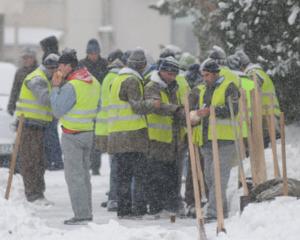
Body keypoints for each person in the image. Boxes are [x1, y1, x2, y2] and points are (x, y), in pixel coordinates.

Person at [107, 49, 160, 218]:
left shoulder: (117, 79)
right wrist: (153, 104)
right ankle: (137, 209)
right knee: (139, 175)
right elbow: (137, 106)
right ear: (141, 65)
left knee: (123, 175)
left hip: (118, 135)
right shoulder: (132, 80)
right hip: (133, 136)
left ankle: (124, 210)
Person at [50, 49, 101, 225]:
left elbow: (57, 110)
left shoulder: (72, 86)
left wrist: (55, 87)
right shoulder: (93, 80)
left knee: (74, 176)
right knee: (85, 176)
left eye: (61, 66)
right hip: (88, 132)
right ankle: (87, 211)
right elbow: (98, 106)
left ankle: (81, 215)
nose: (59, 69)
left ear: (68, 66)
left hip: (72, 134)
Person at [189, 58, 239, 221]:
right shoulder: (204, 89)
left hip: (224, 140)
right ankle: (220, 208)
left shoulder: (229, 87)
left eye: (207, 75)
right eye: (203, 75)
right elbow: (202, 111)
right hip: (206, 139)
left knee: (219, 177)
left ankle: (213, 212)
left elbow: (233, 109)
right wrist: (196, 116)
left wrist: (211, 111)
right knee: (210, 177)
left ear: (216, 74)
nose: (205, 78)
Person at [144, 56, 186, 217]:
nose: (171, 77)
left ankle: (172, 206)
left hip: (174, 140)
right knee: (157, 175)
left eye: (174, 74)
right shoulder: (152, 87)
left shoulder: (174, 87)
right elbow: (157, 106)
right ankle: (156, 207)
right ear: (161, 71)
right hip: (157, 139)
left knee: (173, 175)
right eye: (169, 73)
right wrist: (176, 110)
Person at [16, 53, 59, 203]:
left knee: (40, 161)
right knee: (31, 160)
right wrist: (56, 86)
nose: (58, 73)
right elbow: (46, 99)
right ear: (50, 68)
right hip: (28, 125)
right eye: (56, 70)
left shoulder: (44, 77)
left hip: (39, 126)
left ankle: (39, 192)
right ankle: (33, 194)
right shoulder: (37, 79)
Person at [95, 49, 125, 211]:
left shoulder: (108, 78)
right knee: (116, 165)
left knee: (115, 165)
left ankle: (113, 195)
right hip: (114, 128)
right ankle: (114, 197)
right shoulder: (117, 79)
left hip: (106, 127)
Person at [80, 38, 108, 175]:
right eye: (91, 53)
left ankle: (95, 166)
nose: (93, 55)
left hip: (100, 104)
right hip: (85, 104)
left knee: (96, 137)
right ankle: (86, 164)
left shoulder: (104, 64)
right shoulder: (81, 65)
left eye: (95, 53)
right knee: (86, 136)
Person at [39, 36, 64, 171]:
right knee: (51, 132)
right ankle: (54, 159)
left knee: (50, 133)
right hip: (53, 97)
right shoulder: (57, 57)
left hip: (50, 99)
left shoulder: (49, 58)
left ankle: (54, 160)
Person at [7, 47, 38, 116]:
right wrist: (11, 105)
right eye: (24, 58)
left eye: (28, 57)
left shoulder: (39, 71)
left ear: (34, 58)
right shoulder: (19, 72)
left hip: (37, 111)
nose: (25, 60)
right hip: (22, 110)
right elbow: (15, 89)